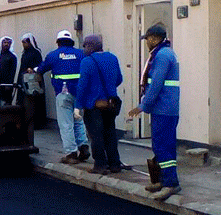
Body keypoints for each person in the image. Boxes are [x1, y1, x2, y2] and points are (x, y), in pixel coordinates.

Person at [128, 24, 181, 201]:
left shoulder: (162, 56)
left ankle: (170, 184)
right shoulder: (165, 53)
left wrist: (143, 106)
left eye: (147, 39)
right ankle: (164, 180)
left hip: (163, 108)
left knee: (162, 146)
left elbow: (156, 84)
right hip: (165, 108)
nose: (146, 43)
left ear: (153, 39)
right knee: (164, 145)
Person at [36, 30, 90, 164]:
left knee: (66, 124)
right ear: (71, 41)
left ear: (58, 42)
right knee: (78, 120)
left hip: (63, 92)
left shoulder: (53, 55)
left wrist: (33, 70)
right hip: (79, 93)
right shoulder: (80, 53)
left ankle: (71, 153)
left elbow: (41, 69)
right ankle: (83, 147)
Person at [77, 34, 124, 175]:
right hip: (110, 104)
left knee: (96, 135)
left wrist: (78, 106)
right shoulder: (112, 58)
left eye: (85, 45)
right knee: (110, 134)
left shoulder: (87, 61)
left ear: (91, 46)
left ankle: (100, 165)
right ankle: (115, 164)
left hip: (93, 105)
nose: (83, 48)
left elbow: (82, 86)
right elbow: (119, 79)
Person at [16, 33, 46, 129]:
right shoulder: (25, 53)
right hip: (24, 80)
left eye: (25, 42)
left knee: (34, 102)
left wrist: (32, 69)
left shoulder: (36, 53)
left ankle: (37, 123)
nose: (23, 44)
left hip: (33, 82)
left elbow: (39, 67)